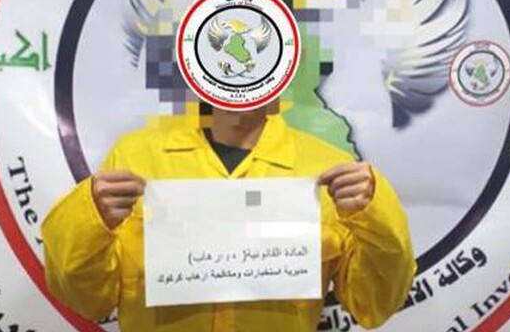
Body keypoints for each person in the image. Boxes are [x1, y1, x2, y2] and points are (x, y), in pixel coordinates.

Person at [42, 101, 416, 332]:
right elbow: (88, 300)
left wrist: (375, 214)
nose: (241, 67)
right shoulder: (136, 155)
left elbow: (373, 305)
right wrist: (89, 218)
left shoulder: (325, 167)